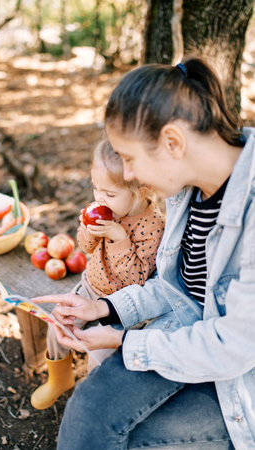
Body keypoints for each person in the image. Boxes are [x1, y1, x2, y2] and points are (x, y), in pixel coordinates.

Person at [34, 58, 255, 449]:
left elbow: (235, 346)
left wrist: (122, 342)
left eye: (131, 159)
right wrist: (104, 309)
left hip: (240, 378)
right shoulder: (189, 191)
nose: (129, 175)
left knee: (131, 435)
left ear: (173, 142)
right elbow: (180, 292)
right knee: (87, 413)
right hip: (183, 336)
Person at [30, 139, 165, 410]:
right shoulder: (106, 209)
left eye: (110, 194)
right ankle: (60, 379)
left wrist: (120, 239)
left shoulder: (153, 226)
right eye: (95, 189)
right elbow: (86, 247)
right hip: (91, 286)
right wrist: (88, 231)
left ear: (141, 189)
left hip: (122, 306)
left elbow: (136, 280)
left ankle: (95, 402)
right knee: (57, 324)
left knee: (99, 358)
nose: (100, 199)